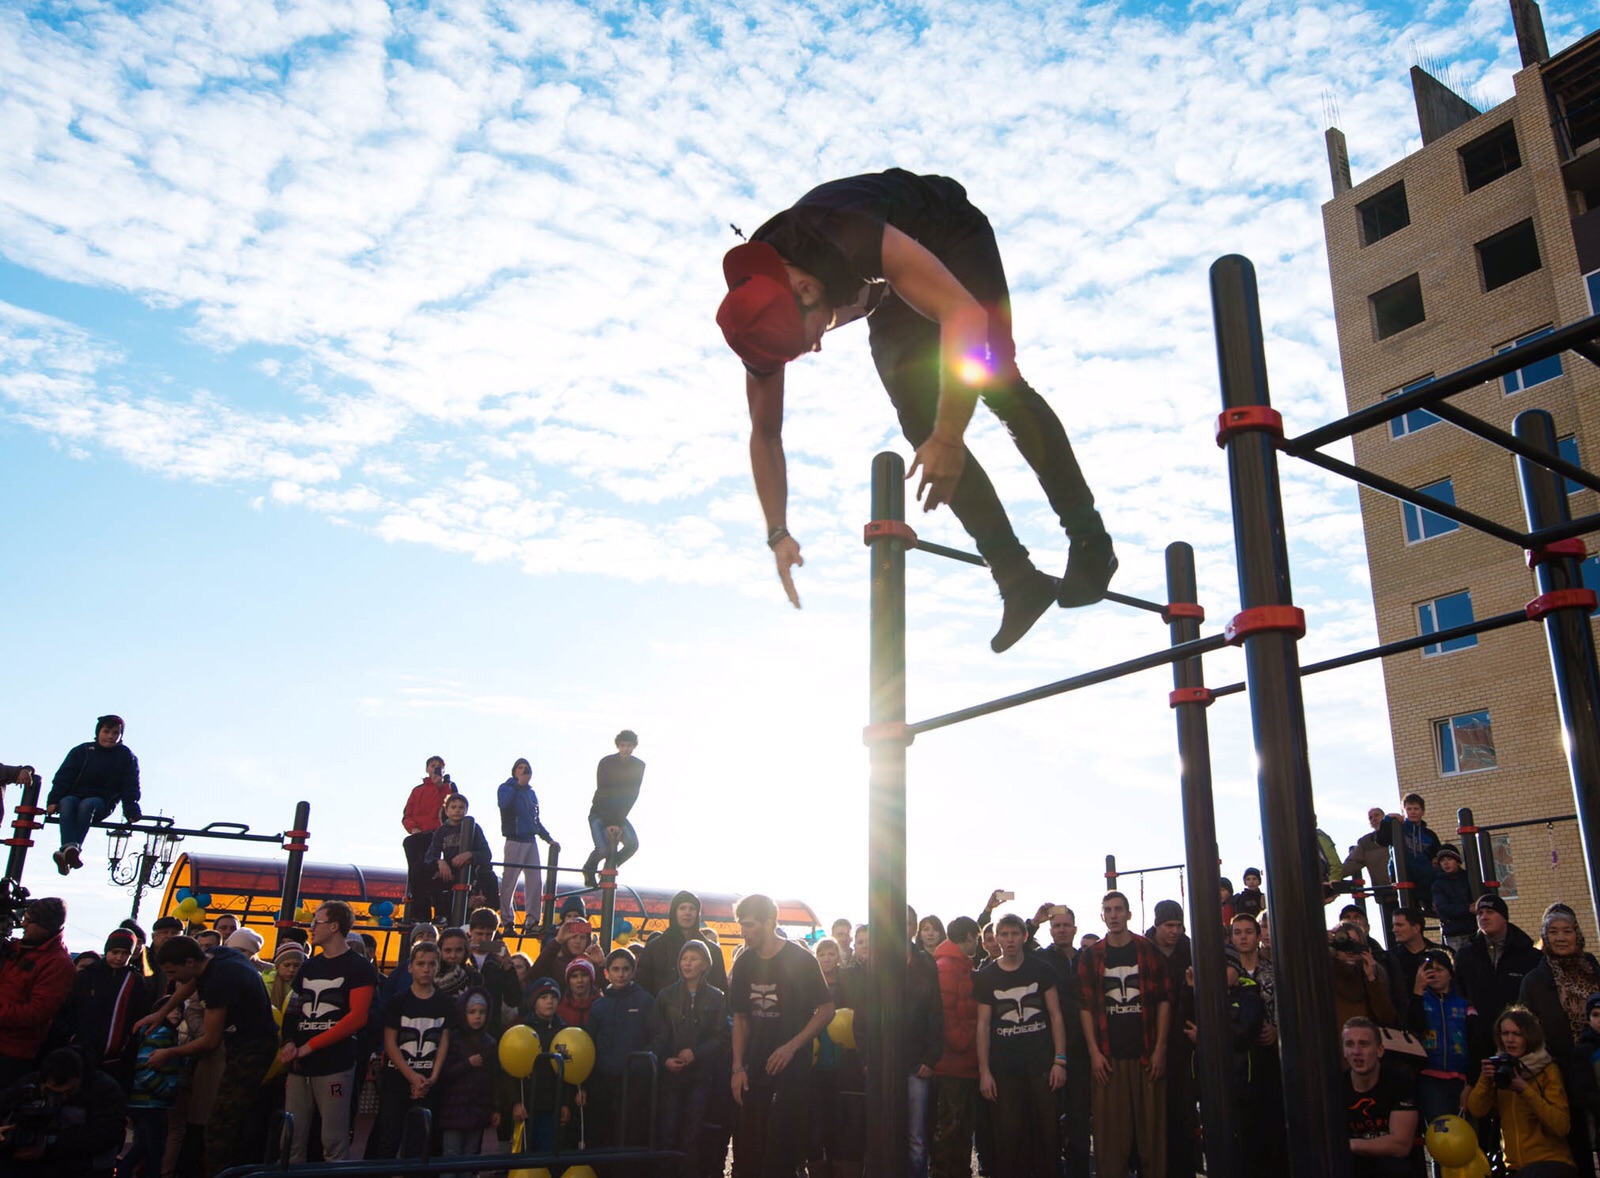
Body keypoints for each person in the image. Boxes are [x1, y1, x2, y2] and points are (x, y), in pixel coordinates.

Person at [716, 170, 1117, 653]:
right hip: (888, 288)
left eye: (814, 336)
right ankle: (1017, 578)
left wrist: (950, 438)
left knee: (996, 380)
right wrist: (777, 532)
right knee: (918, 421)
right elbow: (764, 433)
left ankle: (1090, 541)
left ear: (804, 290)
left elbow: (964, 315)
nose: (818, 346)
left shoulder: (841, 233)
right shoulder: (755, 313)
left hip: (944, 231)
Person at [141, 935, 276, 1176]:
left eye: (173, 972)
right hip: (247, 1041)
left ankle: (220, 1172)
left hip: (252, 1048)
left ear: (190, 962)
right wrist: (162, 1012)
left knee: (221, 1125)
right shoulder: (219, 956)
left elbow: (210, 1041)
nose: (171, 979)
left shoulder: (219, 982)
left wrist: (168, 1053)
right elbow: (191, 983)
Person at [728, 893, 833, 1178]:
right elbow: (740, 1018)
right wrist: (737, 1067)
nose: (744, 932)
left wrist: (792, 1046)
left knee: (782, 1149)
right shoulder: (744, 963)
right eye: (741, 925)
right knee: (751, 1148)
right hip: (754, 1066)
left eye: (750, 925)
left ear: (769, 922)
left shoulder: (801, 959)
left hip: (793, 1068)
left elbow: (826, 1010)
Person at [1077, 891, 1171, 1178]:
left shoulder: (1148, 950)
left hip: (1145, 1054)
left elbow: (1164, 1000)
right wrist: (1094, 1053)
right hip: (1108, 1058)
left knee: (1153, 1139)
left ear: (1128, 914)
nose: (1114, 914)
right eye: (1108, 910)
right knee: (1110, 1143)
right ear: (1102, 915)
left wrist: (1160, 1049)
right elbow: (1085, 1007)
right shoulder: (1091, 956)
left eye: (1118, 909)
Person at [279, 900, 377, 1164]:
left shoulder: (359, 966)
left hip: (335, 1063)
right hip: (299, 1065)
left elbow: (357, 1017)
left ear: (334, 926)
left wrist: (312, 1045)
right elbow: (293, 1008)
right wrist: (289, 1041)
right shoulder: (309, 966)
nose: (311, 928)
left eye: (317, 922)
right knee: (290, 1139)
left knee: (333, 1140)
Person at [974, 913, 1064, 1178]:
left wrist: (1060, 1060)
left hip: (1042, 1066)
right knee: (1009, 1139)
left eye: (1015, 934)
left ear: (1025, 936)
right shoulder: (986, 977)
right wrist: (984, 1072)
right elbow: (983, 1026)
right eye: (1004, 934)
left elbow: (1056, 1015)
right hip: (1005, 1069)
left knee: (1048, 1136)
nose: (1010, 940)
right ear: (996, 939)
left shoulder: (1041, 969)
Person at [652, 939, 730, 1178]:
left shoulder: (717, 997)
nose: (687, 963)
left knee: (692, 1134)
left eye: (693, 959)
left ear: (705, 964)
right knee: (667, 1132)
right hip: (670, 1076)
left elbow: (722, 1037)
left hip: (701, 1076)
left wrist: (697, 1052)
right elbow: (656, 1034)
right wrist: (665, 1059)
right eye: (684, 959)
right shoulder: (666, 995)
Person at [1468, 1006, 1577, 1176]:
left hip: (1550, 1163)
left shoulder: (1547, 1070)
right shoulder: (1502, 1070)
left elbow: (1561, 1126)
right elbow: (1476, 1109)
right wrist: (1485, 1079)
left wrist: (1524, 1090)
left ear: (1529, 1036)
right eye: (1505, 1033)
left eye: (1517, 1034)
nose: (1510, 1040)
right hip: (1514, 1167)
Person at [371, 939, 456, 1159]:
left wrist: (433, 1077)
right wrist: (411, 1076)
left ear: (438, 967)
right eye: (421, 964)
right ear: (410, 967)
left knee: (420, 1141)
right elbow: (390, 1043)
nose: (426, 969)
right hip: (397, 1079)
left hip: (428, 1080)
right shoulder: (397, 1001)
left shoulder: (445, 1002)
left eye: (431, 964)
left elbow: (444, 1041)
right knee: (389, 1138)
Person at [0, 1045, 127, 1178]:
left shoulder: (106, 1090)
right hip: (31, 1164)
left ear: (79, 1077)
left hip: (85, 1167)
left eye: (70, 1091)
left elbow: (107, 1133)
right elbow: (4, 1100)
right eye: (54, 1093)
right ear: (42, 1082)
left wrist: (51, 1143)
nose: (64, 1097)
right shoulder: (30, 1084)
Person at [1031, 905, 1091, 1178]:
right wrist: (1034, 922)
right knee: (1049, 1122)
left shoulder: (1086, 959)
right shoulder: (1041, 960)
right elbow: (1017, 947)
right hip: (1049, 1051)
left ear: (1075, 929)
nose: (1062, 930)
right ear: (1050, 930)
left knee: (1079, 1121)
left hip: (1082, 1049)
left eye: (1066, 925)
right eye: (1056, 926)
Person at [47, 716, 141, 875]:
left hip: (101, 801)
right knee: (68, 802)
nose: (110, 736)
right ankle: (69, 852)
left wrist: (131, 811)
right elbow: (64, 777)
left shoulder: (125, 756)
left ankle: (70, 849)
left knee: (87, 805)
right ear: (98, 732)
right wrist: (54, 801)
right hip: (74, 797)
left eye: (115, 733)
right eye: (106, 731)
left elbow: (130, 785)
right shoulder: (82, 751)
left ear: (120, 735)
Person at [0, 897, 75, 1088]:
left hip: (12, 1054)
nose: (22, 924)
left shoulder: (58, 963)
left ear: (45, 926)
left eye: (28, 920)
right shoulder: (16, 948)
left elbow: (37, 1012)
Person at [64, 928, 150, 1089]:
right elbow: (70, 1009)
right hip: (80, 1052)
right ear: (107, 950)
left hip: (116, 1058)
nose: (119, 958)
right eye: (115, 952)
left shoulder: (134, 980)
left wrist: (127, 1043)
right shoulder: (88, 975)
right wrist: (72, 1037)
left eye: (125, 953)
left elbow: (139, 1015)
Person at [1405, 948, 1482, 1125]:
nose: (1434, 975)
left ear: (1450, 974)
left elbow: (1477, 1045)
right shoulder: (1420, 1000)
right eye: (1429, 970)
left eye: (1440, 970)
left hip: (1461, 1078)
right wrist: (1418, 989)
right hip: (1430, 1078)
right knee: (1440, 1129)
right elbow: (1414, 1027)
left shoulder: (1465, 1005)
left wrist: (1471, 1082)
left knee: (1465, 1129)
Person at [588, 948, 655, 1146]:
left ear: (633, 971)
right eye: (615, 969)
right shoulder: (598, 1006)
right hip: (603, 1081)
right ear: (606, 973)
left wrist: (641, 1063)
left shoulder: (645, 1001)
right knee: (603, 1135)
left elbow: (658, 1036)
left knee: (631, 1135)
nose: (621, 974)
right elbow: (590, 1042)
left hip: (635, 1081)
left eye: (625, 969)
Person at [1342, 1017, 1424, 1176]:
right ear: (1344, 1051)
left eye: (1364, 1044)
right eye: (1350, 1044)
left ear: (1380, 1050)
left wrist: (1350, 1145)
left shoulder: (1400, 1082)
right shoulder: (1336, 1087)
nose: (1356, 1051)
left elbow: (1400, 1145)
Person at [930, 916, 979, 1178]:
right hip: (954, 1062)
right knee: (950, 1128)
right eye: (977, 937)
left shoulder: (957, 965)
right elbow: (946, 1012)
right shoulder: (948, 967)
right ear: (970, 936)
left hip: (964, 1062)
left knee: (961, 1129)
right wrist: (965, 1040)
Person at [434, 987, 501, 1169]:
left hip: (478, 1108)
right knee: (451, 1156)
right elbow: (444, 1073)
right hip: (453, 1109)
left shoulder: (489, 1043)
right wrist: (467, 1063)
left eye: (482, 1012)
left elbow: (494, 1078)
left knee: (471, 1157)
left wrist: (496, 1108)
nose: (477, 1016)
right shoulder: (453, 1039)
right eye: (472, 1012)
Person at [1455, 894, 1542, 1028]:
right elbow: (1459, 993)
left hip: (1519, 1031)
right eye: (1480, 913)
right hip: (1478, 1033)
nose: (1484, 917)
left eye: (1490, 912)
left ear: (1504, 917)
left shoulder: (1529, 955)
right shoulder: (1465, 955)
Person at [496, 758, 558, 934]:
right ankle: (508, 922)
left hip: (531, 840)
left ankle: (532, 920)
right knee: (509, 882)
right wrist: (517, 786)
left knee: (535, 882)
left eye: (527, 768)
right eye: (520, 768)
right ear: (514, 771)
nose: (524, 771)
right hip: (514, 839)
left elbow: (535, 820)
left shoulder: (531, 793)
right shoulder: (506, 787)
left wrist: (548, 839)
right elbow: (503, 804)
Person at [582, 730, 645, 888]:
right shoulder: (606, 762)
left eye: (629, 746)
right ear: (618, 746)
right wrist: (611, 823)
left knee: (632, 844)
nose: (626, 749)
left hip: (619, 815)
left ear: (634, 747)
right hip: (599, 812)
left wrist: (618, 821)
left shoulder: (638, 766)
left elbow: (632, 795)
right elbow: (603, 791)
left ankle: (608, 870)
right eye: (623, 745)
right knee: (603, 849)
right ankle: (589, 868)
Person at [637, 890, 730, 996]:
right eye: (682, 908)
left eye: (692, 908)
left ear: (698, 913)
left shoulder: (713, 951)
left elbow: (721, 990)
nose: (687, 913)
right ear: (674, 912)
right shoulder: (654, 948)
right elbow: (642, 988)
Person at [426, 794, 498, 920]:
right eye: (453, 807)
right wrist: (440, 862)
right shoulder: (441, 831)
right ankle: (439, 916)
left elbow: (486, 854)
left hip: (472, 874)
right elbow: (430, 855)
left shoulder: (474, 828)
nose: (457, 810)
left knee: (491, 880)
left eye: (461, 807)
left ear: (466, 810)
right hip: (450, 872)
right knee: (430, 878)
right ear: (446, 811)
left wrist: (469, 854)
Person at [401, 756, 454, 922]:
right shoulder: (418, 790)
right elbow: (407, 814)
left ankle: (430, 913)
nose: (435, 769)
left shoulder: (448, 787)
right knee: (416, 867)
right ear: (427, 769)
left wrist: (440, 786)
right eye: (433, 766)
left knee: (425, 870)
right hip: (418, 835)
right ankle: (421, 912)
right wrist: (413, 828)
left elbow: (452, 809)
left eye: (439, 766)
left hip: (438, 836)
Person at [1330, 922, 1398, 1034]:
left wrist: (1371, 978)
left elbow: (1387, 1017)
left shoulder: (1373, 973)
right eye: (1344, 943)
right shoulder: (1326, 973)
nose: (1349, 950)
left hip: (1366, 1038)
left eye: (1355, 943)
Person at [1376, 795, 1442, 906]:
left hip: (1424, 875)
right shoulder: (1398, 828)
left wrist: (1436, 858)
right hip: (1402, 873)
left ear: (1423, 811)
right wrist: (1387, 819)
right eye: (1409, 809)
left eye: (1416, 809)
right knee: (1408, 905)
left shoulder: (1429, 835)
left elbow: (1437, 852)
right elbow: (1381, 840)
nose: (1413, 812)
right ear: (1403, 811)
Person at [1388, 907, 1440, 1021]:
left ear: (1416, 928)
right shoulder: (1391, 959)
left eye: (1399, 925)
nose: (1394, 930)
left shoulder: (1440, 953)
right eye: (1394, 925)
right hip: (1407, 1018)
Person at [1344, 807, 1399, 908]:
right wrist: (1330, 876)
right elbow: (1352, 864)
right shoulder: (1366, 842)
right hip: (1385, 894)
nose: (1374, 819)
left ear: (1384, 817)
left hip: (1405, 890)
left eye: (1377, 815)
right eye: (1370, 818)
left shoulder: (1399, 834)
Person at [1431, 846, 1474, 953]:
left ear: (1457, 861)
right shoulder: (1438, 884)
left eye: (1449, 859)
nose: (1446, 863)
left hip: (1471, 930)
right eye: (1443, 860)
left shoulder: (1469, 878)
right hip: (1453, 932)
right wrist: (1467, 909)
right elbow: (1443, 908)